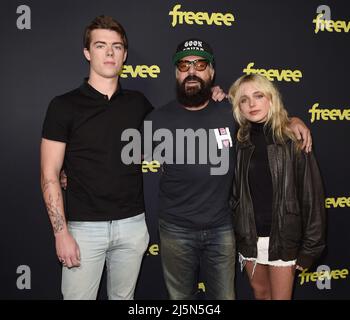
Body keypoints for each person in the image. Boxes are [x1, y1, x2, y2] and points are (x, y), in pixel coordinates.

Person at [145, 39, 312, 300]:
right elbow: (126, 161)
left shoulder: (231, 112)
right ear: (176, 72)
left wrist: (293, 120)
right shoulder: (157, 119)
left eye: (200, 65)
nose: (191, 71)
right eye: (184, 65)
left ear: (211, 72)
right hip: (175, 228)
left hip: (222, 227)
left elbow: (265, 117)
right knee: (180, 299)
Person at [40, 15, 153, 300]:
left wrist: (212, 97)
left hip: (132, 225)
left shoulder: (138, 103)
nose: (110, 52)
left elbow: (177, 128)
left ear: (125, 55)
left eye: (116, 46)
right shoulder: (63, 106)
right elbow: (50, 174)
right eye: (101, 45)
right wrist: (60, 233)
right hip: (82, 230)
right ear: (87, 53)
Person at [228, 74, 326, 300]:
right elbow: (236, 193)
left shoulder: (293, 139)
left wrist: (310, 249)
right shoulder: (240, 143)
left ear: (271, 99)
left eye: (258, 95)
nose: (251, 104)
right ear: (238, 107)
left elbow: (312, 197)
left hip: (283, 239)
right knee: (261, 294)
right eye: (244, 99)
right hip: (250, 239)